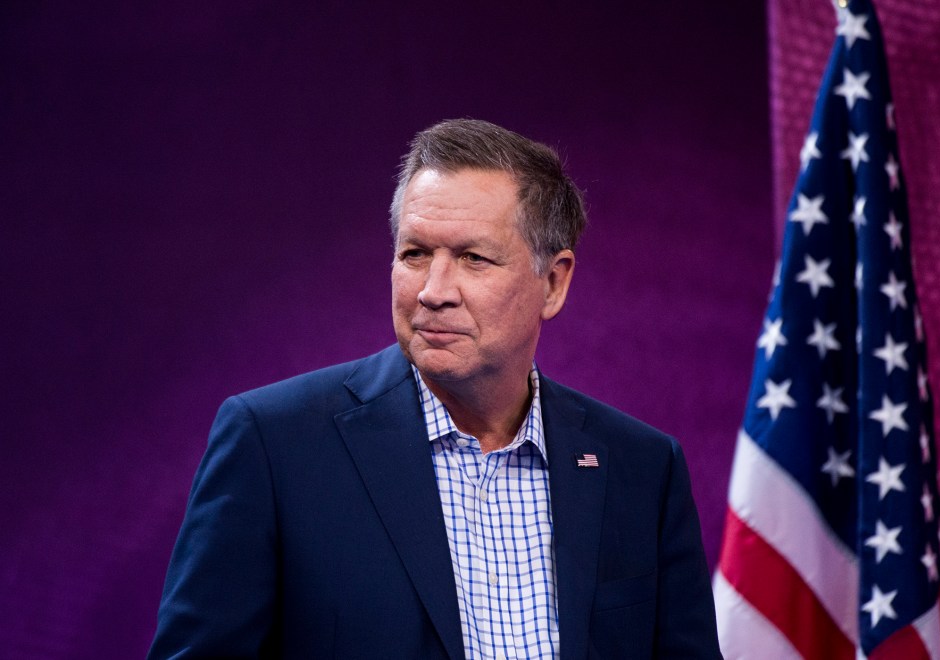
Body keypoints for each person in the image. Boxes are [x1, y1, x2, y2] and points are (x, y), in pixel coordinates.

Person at [148, 119, 721, 659]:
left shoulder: (643, 468)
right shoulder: (274, 444)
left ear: (553, 282)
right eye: (415, 254)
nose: (433, 291)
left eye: (473, 258)